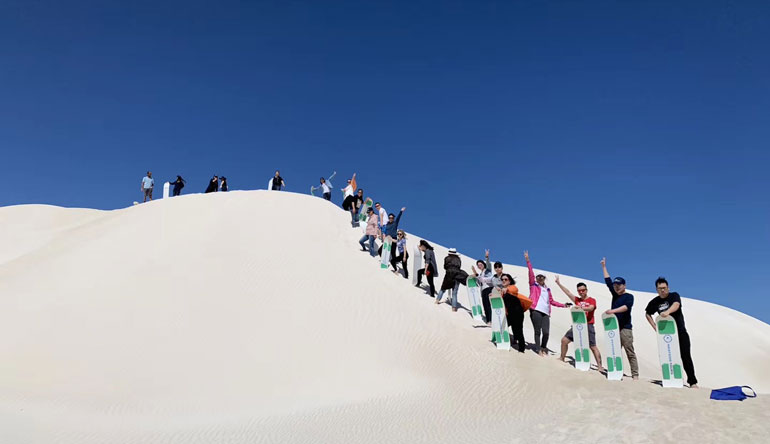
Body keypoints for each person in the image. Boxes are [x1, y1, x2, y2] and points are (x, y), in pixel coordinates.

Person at [645, 277, 698, 388]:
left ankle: (692, 382)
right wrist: (655, 327)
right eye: (660, 288)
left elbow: (676, 305)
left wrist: (667, 312)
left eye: (664, 288)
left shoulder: (674, 295)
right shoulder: (655, 302)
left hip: (680, 332)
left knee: (685, 356)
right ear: (656, 289)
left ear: (668, 288)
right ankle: (671, 379)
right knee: (668, 356)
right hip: (666, 335)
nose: (662, 290)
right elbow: (647, 314)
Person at [555, 276, 605, 372]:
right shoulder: (577, 300)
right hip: (577, 326)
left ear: (586, 290)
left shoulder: (591, 300)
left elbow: (591, 308)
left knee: (593, 346)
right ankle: (562, 358)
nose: (581, 292)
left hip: (588, 325)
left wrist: (581, 308)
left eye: (583, 290)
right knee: (564, 340)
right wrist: (558, 283)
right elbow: (568, 292)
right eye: (579, 291)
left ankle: (599, 366)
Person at [601, 257, 639, 380]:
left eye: (619, 285)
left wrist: (612, 311)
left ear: (624, 285)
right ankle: (616, 371)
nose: (616, 287)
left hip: (625, 328)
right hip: (613, 327)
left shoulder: (629, 296)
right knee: (614, 350)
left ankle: (635, 375)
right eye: (615, 285)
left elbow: (625, 308)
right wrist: (604, 267)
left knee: (629, 351)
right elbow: (607, 281)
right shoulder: (614, 294)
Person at [525, 251, 568, 356]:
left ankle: (544, 347)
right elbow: (531, 273)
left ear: (544, 279)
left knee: (546, 332)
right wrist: (528, 261)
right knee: (537, 331)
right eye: (538, 277)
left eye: (541, 277)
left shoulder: (547, 289)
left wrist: (563, 305)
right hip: (535, 310)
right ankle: (538, 349)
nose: (539, 278)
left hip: (546, 312)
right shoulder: (533, 286)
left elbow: (552, 301)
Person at [501, 274, 531, 353]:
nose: (503, 281)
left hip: (518, 313)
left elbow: (514, 289)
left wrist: (506, 290)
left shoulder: (512, 288)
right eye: (502, 279)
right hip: (509, 313)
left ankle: (521, 350)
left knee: (518, 330)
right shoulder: (502, 291)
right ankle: (507, 341)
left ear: (509, 281)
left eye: (505, 279)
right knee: (503, 326)